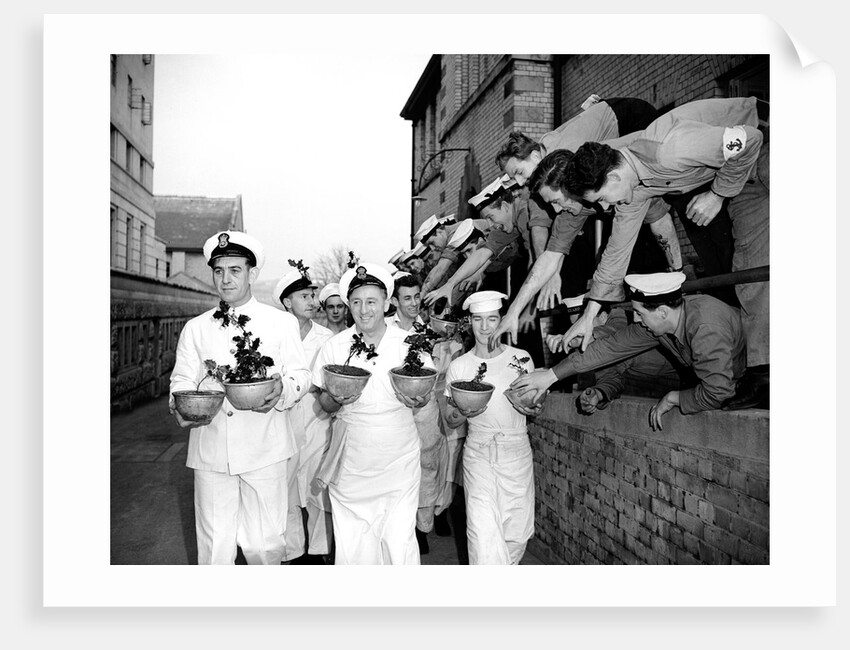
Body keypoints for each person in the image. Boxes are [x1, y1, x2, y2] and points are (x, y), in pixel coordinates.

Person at [560, 96, 768, 409]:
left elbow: (750, 140)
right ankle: (765, 375)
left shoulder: (671, 149)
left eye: (601, 198)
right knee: (749, 271)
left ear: (614, 177)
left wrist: (717, 195)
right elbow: (616, 252)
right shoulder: (633, 188)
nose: (602, 208)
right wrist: (589, 315)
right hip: (742, 178)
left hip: (766, 147)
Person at [168, 230, 310, 565]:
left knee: (264, 547)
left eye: (235, 270)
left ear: (252, 274)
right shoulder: (196, 328)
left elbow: (300, 375)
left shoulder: (281, 323)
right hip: (211, 449)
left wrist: (282, 390)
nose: (225, 278)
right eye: (219, 270)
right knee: (214, 547)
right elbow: (182, 379)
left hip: (265, 447)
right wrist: (179, 401)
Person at [510, 272, 748, 431]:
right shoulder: (658, 325)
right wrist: (551, 376)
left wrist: (676, 397)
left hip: (746, 382)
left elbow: (718, 392)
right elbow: (610, 348)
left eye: (640, 314)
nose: (637, 319)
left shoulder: (705, 326)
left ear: (662, 312)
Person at [312, 262, 434, 564]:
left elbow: (425, 394)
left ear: (385, 303)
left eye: (371, 301)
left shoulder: (409, 344)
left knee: (398, 542)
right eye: (356, 302)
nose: (363, 310)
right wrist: (335, 399)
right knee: (354, 545)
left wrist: (417, 400)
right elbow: (322, 405)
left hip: (399, 460)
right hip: (352, 461)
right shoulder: (335, 346)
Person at [443, 291, 543, 564]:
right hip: (480, 452)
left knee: (516, 533)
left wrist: (534, 408)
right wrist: (464, 411)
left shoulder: (521, 360)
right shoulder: (460, 366)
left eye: (492, 319)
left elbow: (533, 407)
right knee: (483, 532)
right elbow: (450, 420)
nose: (485, 327)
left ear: (502, 319)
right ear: (470, 322)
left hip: (516, 451)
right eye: (478, 320)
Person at [273, 262, 335, 564]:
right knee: (285, 490)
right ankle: (294, 553)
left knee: (317, 488)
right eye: (305, 297)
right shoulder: (274, 336)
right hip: (282, 422)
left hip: (317, 422)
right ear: (287, 302)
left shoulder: (326, 338)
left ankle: (319, 551)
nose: (313, 302)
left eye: (313, 295)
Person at [386, 272, 447, 555]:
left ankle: (421, 526)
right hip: (396, 407)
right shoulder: (385, 331)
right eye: (406, 298)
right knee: (398, 465)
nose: (413, 303)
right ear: (394, 301)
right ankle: (400, 522)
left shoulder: (429, 330)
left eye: (417, 297)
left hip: (426, 409)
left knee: (428, 465)